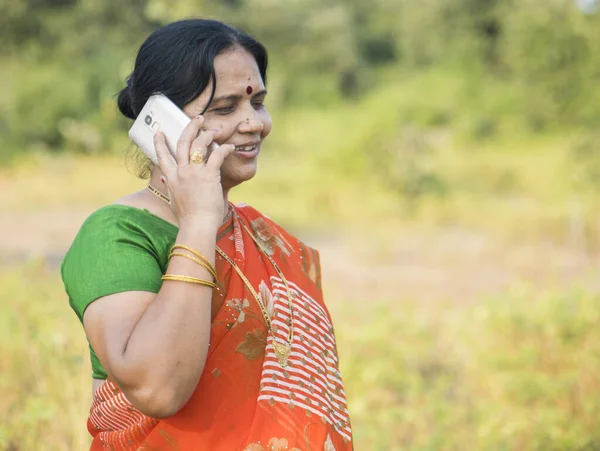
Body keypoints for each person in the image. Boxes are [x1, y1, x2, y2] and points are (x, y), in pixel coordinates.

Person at [61, 19, 353, 451]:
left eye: (257, 103)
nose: (254, 123)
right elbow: (156, 390)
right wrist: (198, 218)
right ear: (160, 123)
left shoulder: (265, 240)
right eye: (225, 108)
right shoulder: (118, 234)